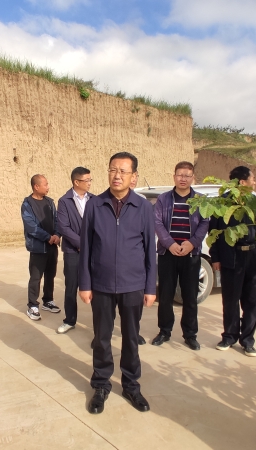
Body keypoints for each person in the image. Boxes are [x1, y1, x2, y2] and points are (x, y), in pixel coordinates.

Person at [79, 152, 156, 415]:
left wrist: (150, 287)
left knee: (131, 338)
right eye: (113, 169)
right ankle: (101, 385)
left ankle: (131, 385)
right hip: (100, 285)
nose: (117, 175)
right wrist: (85, 283)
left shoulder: (143, 207)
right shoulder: (95, 205)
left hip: (133, 284)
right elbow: (86, 247)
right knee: (101, 338)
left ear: (133, 176)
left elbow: (150, 250)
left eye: (123, 171)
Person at [151, 161, 209, 350]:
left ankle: (190, 334)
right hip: (168, 253)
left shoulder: (200, 200)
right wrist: (170, 244)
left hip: (191, 254)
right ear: (174, 176)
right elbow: (157, 222)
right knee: (165, 295)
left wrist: (192, 243)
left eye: (187, 175)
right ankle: (164, 331)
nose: (183, 178)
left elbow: (204, 223)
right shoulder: (163, 199)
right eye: (180, 175)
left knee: (190, 296)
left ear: (193, 178)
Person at [209, 166, 256, 357]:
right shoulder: (223, 203)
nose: (254, 182)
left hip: (254, 257)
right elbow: (214, 232)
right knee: (231, 300)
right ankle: (229, 337)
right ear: (242, 182)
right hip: (231, 258)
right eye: (252, 179)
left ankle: (248, 340)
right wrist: (215, 257)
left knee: (252, 301)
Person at [55, 167, 91, 334]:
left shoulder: (94, 200)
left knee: (97, 288)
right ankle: (69, 320)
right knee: (71, 287)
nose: (89, 183)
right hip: (72, 252)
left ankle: (100, 324)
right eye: (87, 180)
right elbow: (64, 227)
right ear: (76, 182)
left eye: (90, 180)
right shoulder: (64, 201)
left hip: (93, 251)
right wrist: (82, 244)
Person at [21, 174, 61, 321]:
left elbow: (57, 220)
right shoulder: (27, 204)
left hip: (52, 246)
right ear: (36, 186)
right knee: (36, 277)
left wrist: (57, 234)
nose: (48, 187)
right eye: (45, 184)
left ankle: (48, 300)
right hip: (38, 248)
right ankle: (32, 305)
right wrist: (48, 237)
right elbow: (31, 226)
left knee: (50, 275)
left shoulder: (50, 202)